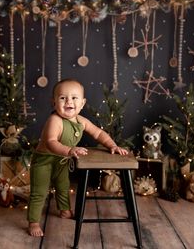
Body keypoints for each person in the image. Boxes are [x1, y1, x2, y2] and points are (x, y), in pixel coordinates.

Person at [27, 78, 128, 237]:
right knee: (39, 191)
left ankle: (65, 210)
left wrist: (111, 145)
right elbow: (51, 142)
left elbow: (99, 133)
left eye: (74, 98)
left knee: (63, 186)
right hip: (44, 160)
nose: (69, 101)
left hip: (61, 160)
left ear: (82, 103)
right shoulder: (55, 120)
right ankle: (33, 222)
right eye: (62, 98)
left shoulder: (81, 120)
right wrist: (70, 150)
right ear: (54, 102)